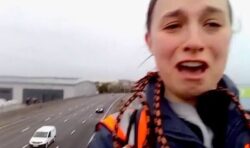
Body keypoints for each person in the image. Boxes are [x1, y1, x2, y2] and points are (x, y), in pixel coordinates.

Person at [88, 0, 250, 147]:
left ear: (230, 35)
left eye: (212, 24)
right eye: (173, 25)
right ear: (150, 41)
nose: (194, 42)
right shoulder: (115, 136)